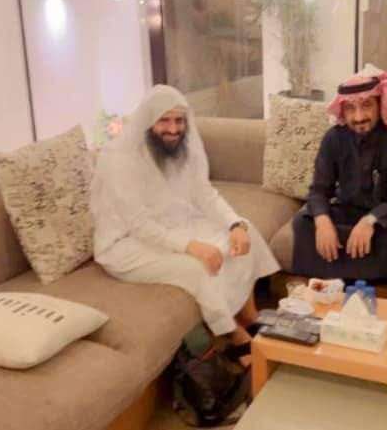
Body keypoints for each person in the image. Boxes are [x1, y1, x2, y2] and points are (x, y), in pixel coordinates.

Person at [91, 85, 279, 360]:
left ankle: (249, 315)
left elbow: (204, 194)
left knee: (242, 232)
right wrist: (192, 247)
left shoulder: (182, 147)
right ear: (148, 121)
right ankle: (233, 333)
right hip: (125, 245)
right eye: (164, 120)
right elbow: (139, 224)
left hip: (170, 224)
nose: (173, 129)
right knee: (197, 267)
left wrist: (234, 225)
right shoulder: (119, 159)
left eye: (179, 120)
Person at [292, 68, 387, 301]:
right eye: (350, 108)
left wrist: (371, 220)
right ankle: (313, 299)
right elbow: (319, 190)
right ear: (342, 109)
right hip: (350, 210)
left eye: (367, 105)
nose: (358, 117)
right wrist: (322, 221)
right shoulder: (334, 138)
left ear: (381, 104)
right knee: (303, 222)